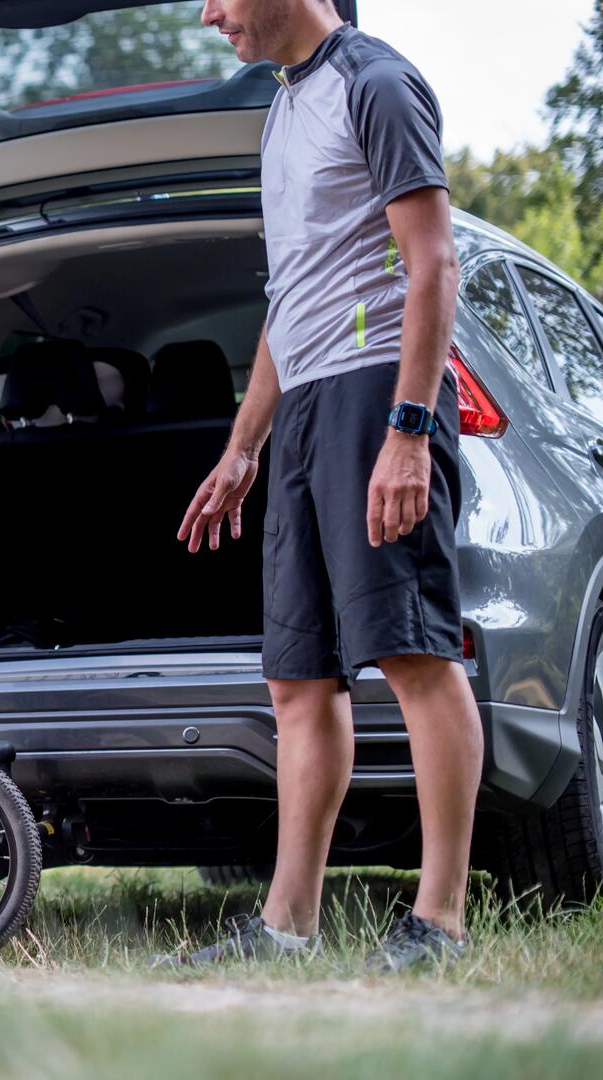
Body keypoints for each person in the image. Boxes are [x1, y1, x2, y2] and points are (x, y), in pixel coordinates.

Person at [170, 0, 479, 971]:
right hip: (301, 408)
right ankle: (285, 928)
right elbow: (290, 293)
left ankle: (442, 921)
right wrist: (243, 445)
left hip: (376, 392)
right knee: (298, 680)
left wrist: (409, 431)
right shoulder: (281, 109)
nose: (210, 11)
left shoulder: (374, 82)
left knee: (413, 653)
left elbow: (434, 263)